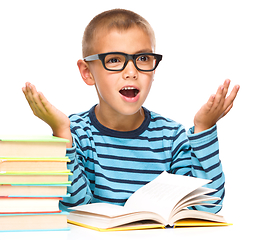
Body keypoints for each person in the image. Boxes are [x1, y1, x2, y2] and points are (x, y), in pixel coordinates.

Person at [22, 9, 240, 213]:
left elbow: (208, 207)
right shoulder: (76, 133)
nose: (131, 72)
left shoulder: (171, 137)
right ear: (87, 72)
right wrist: (61, 133)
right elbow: (76, 209)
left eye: (143, 58)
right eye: (115, 60)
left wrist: (204, 128)